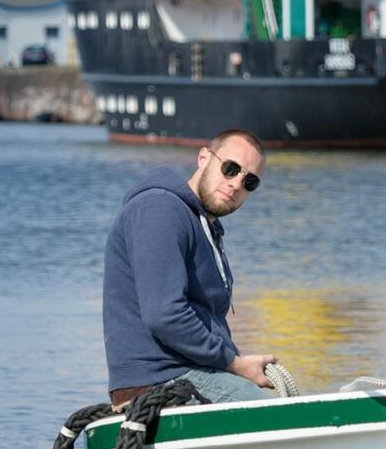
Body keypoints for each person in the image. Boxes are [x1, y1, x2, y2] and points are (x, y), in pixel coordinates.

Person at [103, 128, 277, 406]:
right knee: (273, 415)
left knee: (284, 409)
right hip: (161, 380)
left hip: (190, 373)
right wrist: (234, 363)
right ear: (203, 158)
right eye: (230, 168)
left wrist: (235, 364)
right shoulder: (160, 209)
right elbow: (165, 314)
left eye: (250, 181)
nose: (236, 184)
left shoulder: (205, 225)